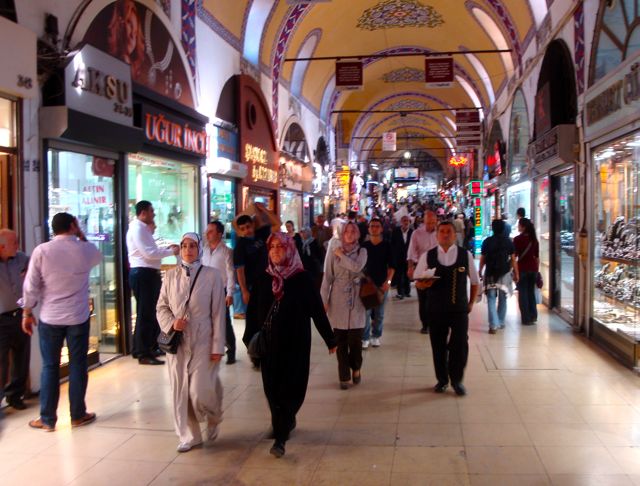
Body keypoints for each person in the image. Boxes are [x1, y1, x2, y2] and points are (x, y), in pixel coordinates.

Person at [246, 233, 336, 458]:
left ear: (290, 249)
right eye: (272, 247)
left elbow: (316, 309)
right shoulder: (263, 278)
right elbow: (252, 313)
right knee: (272, 389)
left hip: (296, 343)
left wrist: (329, 338)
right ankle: (282, 426)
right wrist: (250, 340)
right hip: (269, 345)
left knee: (292, 388)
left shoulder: (301, 278)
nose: (276, 250)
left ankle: (281, 433)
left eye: (280, 246)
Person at [22, 212, 102, 431]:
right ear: (73, 226)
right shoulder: (85, 250)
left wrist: (27, 312)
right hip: (78, 317)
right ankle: (77, 414)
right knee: (78, 365)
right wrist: (81, 236)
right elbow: (98, 256)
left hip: (50, 317)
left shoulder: (42, 251)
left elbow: (31, 286)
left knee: (49, 367)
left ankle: (47, 419)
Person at [156, 233, 226, 452]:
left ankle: (213, 416)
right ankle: (190, 435)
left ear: (199, 249)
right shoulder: (170, 277)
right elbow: (161, 306)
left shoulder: (212, 276)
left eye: (193, 245)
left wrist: (217, 346)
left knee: (199, 391)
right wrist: (171, 323)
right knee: (181, 390)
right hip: (178, 341)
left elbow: (218, 313)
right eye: (184, 245)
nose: (188, 249)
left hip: (203, 338)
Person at [414, 221, 480, 396]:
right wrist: (424, 283)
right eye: (441, 231)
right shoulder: (428, 256)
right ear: (437, 235)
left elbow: (474, 281)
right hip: (435, 308)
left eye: (448, 231)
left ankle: (457, 379)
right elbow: (418, 282)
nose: (445, 234)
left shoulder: (465, 255)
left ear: (454, 234)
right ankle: (442, 380)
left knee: (460, 344)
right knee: (438, 345)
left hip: (459, 308)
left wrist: (471, 303)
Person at [127, 200, 179, 365]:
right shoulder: (138, 228)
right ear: (143, 213)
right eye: (151, 211)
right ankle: (143, 352)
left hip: (147, 273)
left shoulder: (142, 229)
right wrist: (171, 251)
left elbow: (150, 250)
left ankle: (148, 347)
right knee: (146, 313)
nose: (154, 214)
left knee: (151, 312)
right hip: (143, 274)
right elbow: (149, 253)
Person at [321, 222, 367, 389]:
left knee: (355, 342)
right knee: (340, 342)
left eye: (353, 231)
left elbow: (356, 267)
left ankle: (356, 367)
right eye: (346, 231)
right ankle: (344, 376)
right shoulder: (333, 251)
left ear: (358, 234)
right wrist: (323, 300)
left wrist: (341, 254)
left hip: (357, 300)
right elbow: (327, 276)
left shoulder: (362, 251)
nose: (349, 234)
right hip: (338, 299)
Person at [0, 229, 30, 410]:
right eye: (14, 243)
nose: (17, 246)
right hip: (1, 318)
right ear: (2, 247)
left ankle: (15, 395)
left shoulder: (21, 258)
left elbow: (33, 271)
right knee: (1, 361)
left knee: (22, 357)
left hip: (20, 315)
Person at [202, 221, 237, 364]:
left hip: (220, 290)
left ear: (219, 234)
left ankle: (231, 349)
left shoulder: (226, 251)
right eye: (207, 231)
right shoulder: (203, 249)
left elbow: (230, 273)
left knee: (224, 322)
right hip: (205, 291)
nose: (207, 234)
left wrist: (229, 293)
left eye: (211, 231)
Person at [478, 220, 519, 334]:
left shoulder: (487, 241)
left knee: (491, 298)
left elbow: (483, 258)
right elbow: (513, 259)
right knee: (503, 298)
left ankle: (493, 325)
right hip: (504, 273)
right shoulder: (508, 242)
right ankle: (500, 322)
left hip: (490, 272)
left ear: (493, 228)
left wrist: (480, 270)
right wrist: (516, 273)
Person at [362, 218, 395, 349]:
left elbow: (392, 266)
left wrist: (388, 281)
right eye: (372, 226)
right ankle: (364, 337)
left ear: (381, 229)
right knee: (366, 312)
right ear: (369, 229)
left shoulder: (387, 245)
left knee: (379, 313)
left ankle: (376, 336)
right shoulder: (364, 246)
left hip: (382, 284)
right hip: (367, 284)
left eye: (377, 226)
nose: (374, 228)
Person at [407, 211, 438, 334]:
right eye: (428, 222)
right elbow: (411, 252)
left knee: (436, 297)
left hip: (437, 268)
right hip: (422, 268)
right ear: (424, 222)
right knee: (423, 298)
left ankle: (435, 322)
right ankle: (425, 324)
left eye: (432, 222)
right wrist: (410, 267)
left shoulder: (440, 232)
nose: (430, 225)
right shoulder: (416, 233)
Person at [513, 218, 540, 325]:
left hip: (522, 269)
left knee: (523, 294)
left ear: (523, 227)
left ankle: (526, 318)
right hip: (533, 269)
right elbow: (537, 257)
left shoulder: (517, 239)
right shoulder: (534, 240)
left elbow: (514, 257)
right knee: (531, 293)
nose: (518, 227)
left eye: (519, 225)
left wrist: (515, 272)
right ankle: (533, 315)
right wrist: (537, 271)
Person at [391, 215, 413, 299]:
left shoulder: (412, 232)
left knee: (408, 275)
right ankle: (400, 292)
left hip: (408, 257)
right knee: (399, 275)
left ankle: (407, 292)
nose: (406, 222)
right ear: (401, 222)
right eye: (404, 221)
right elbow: (392, 244)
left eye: (407, 221)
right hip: (398, 257)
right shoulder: (396, 231)